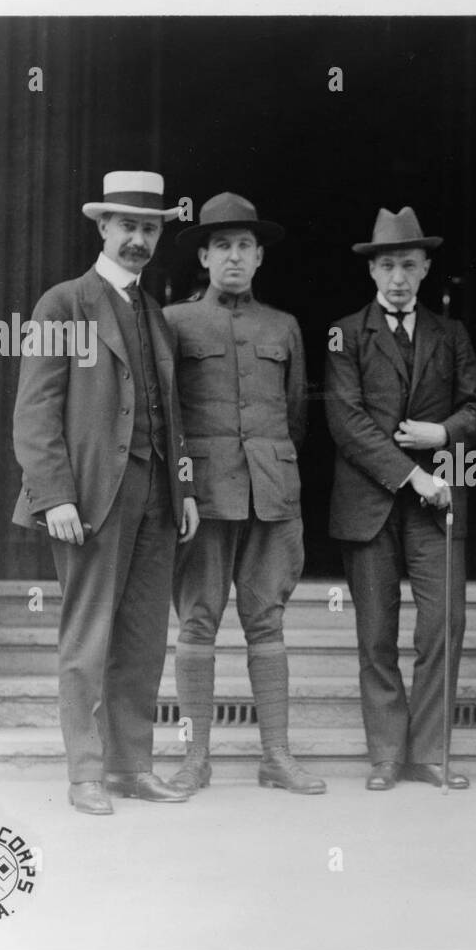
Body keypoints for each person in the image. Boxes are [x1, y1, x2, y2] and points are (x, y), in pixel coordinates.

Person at [11, 170, 199, 815]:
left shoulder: (156, 314)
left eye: (150, 229)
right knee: (88, 636)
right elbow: (35, 412)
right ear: (103, 228)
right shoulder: (62, 304)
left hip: (155, 495)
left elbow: (172, 415)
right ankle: (85, 773)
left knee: (144, 636)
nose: (140, 239)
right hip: (89, 498)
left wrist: (185, 488)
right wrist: (54, 495)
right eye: (129, 226)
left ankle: (131, 766)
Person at [164, 192, 324, 796]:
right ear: (203, 256)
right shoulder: (174, 323)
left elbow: (295, 415)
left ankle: (276, 757)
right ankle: (193, 758)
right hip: (202, 497)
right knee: (197, 625)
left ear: (259, 257)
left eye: (245, 246)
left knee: (269, 624)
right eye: (222, 246)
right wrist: (181, 487)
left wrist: (273, 467)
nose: (234, 257)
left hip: (272, 493)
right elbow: (169, 417)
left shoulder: (282, 326)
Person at [324, 207, 476, 791]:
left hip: (437, 507)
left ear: (426, 269)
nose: (398, 277)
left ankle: (430, 752)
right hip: (375, 503)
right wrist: (413, 475)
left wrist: (443, 436)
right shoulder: (344, 333)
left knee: (445, 624)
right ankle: (387, 755)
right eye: (388, 265)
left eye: (409, 266)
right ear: (372, 270)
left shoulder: (452, 333)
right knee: (376, 634)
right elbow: (347, 421)